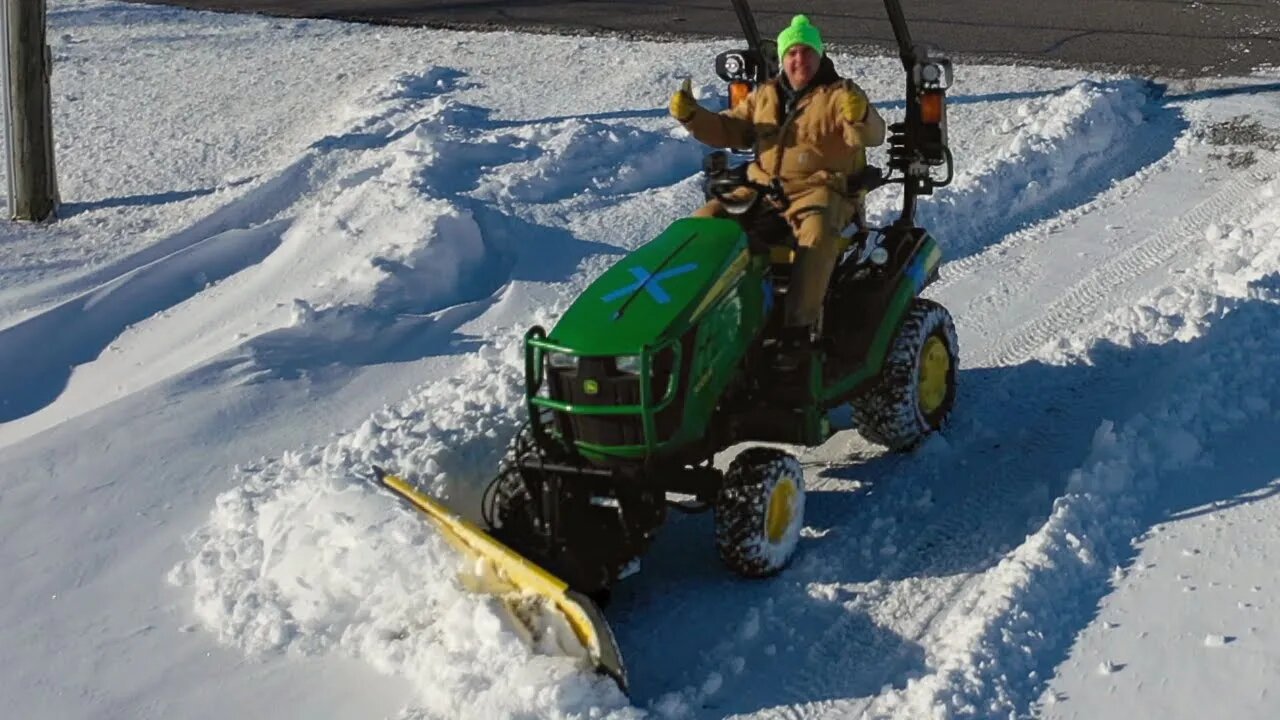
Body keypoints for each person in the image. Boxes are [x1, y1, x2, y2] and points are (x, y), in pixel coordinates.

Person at [669, 14, 886, 372]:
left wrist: (861, 116)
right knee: (701, 224)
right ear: (782, 58)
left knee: (815, 237)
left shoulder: (840, 94)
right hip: (761, 188)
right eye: (792, 53)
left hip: (820, 191)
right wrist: (692, 116)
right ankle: (682, 316)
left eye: (807, 52)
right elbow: (730, 129)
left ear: (820, 55)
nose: (799, 60)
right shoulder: (765, 94)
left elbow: (869, 135)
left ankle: (798, 331)